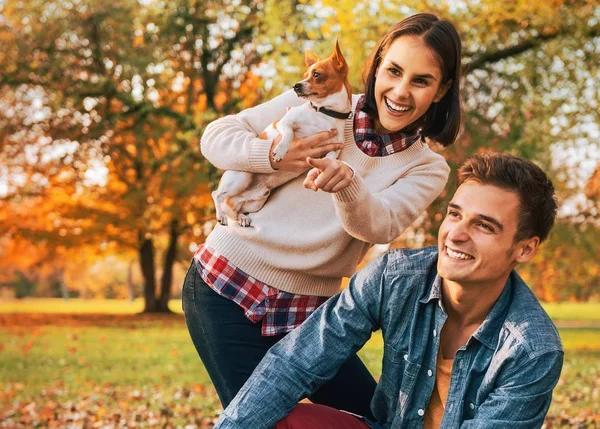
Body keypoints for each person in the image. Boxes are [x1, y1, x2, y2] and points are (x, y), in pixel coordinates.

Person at [182, 13, 462, 419]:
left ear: (441, 91)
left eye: (421, 81)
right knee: (257, 421)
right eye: (394, 71)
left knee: (376, 419)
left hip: (314, 311)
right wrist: (273, 155)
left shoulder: (427, 167)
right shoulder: (317, 98)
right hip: (224, 283)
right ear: (376, 66)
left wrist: (347, 182)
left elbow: (380, 223)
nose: (401, 91)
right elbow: (217, 136)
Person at [213, 153, 564, 429]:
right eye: (455, 215)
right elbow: (296, 362)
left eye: (484, 226)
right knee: (276, 419)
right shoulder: (395, 277)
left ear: (524, 249)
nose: (457, 234)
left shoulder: (532, 349)